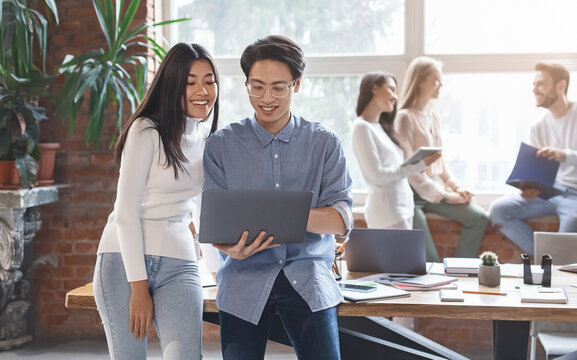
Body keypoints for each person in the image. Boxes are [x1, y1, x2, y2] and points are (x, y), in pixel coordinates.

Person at [203, 35, 353, 360]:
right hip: (243, 275)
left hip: (308, 273)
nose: (266, 98)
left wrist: (284, 213)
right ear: (246, 85)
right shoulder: (221, 145)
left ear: (296, 85)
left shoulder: (324, 143)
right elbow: (215, 223)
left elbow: (340, 219)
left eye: (278, 87)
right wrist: (231, 249)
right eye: (256, 87)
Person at [93, 42, 219, 359]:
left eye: (209, 80)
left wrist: (218, 272)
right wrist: (138, 287)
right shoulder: (146, 130)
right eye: (190, 82)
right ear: (172, 84)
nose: (202, 90)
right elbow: (125, 214)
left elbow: (204, 213)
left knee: (185, 355)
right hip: (122, 261)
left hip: (178, 262)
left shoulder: (206, 140)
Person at [394, 56, 489, 262]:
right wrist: (445, 197)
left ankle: (462, 270)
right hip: (412, 195)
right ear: (420, 81)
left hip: (433, 191)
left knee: (479, 217)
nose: (441, 84)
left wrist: (455, 188)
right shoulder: (404, 117)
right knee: (431, 262)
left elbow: (439, 163)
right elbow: (410, 169)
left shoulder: (432, 117)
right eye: (436, 80)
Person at [489, 62, 577, 255]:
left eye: (541, 84)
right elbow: (540, 171)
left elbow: (566, 157)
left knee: (571, 228)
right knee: (498, 210)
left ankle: (555, 265)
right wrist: (532, 188)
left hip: (575, 197)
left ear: (561, 86)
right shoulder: (537, 127)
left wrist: (564, 155)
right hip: (550, 193)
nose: (534, 89)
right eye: (534, 84)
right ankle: (544, 259)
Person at [352, 72, 440, 230]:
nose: (395, 96)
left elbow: (395, 169)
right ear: (374, 89)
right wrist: (420, 165)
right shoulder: (362, 128)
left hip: (403, 208)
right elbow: (376, 176)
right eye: (391, 89)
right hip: (387, 213)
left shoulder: (381, 128)